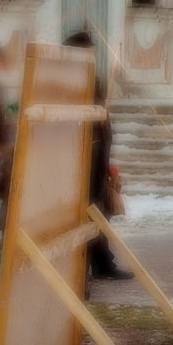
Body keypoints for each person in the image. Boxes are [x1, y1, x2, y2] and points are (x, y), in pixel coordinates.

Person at [63, 30, 131, 281]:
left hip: (97, 157)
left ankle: (103, 264)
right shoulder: (69, 81)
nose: (92, 55)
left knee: (99, 213)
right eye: (87, 50)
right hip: (80, 159)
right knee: (84, 215)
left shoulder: (94, 79)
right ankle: (84, 265)